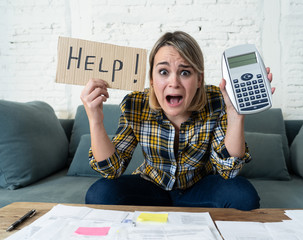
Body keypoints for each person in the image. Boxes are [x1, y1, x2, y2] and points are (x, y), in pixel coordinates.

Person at [80, 31, 274, 210]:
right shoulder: (135, 104)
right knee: (100, 193)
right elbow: (112, 169)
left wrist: (235, 115)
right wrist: (95, 120)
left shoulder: (216, 101)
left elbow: (228, 170)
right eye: (164, 72)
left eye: (185, 72)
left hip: (199, 188)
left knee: (243, 195)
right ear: (152, 79)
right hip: (152, 187)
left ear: (199, 79)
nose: (174, 82)